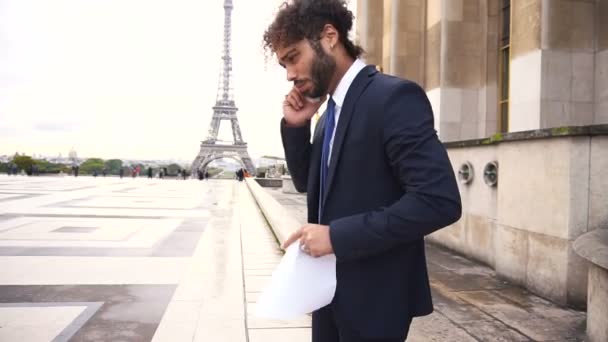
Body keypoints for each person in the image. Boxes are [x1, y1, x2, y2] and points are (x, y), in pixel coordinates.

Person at [264, 1, 462, 341]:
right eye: (284, 64)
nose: (290, 74)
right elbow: (307, 184)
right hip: (326, 291)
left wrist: (336, 237)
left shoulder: (393, 97)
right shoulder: (327, 115)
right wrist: (297, 127)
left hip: (376, 298)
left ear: (329, 36)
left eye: (293, 57)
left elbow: (438, 200)